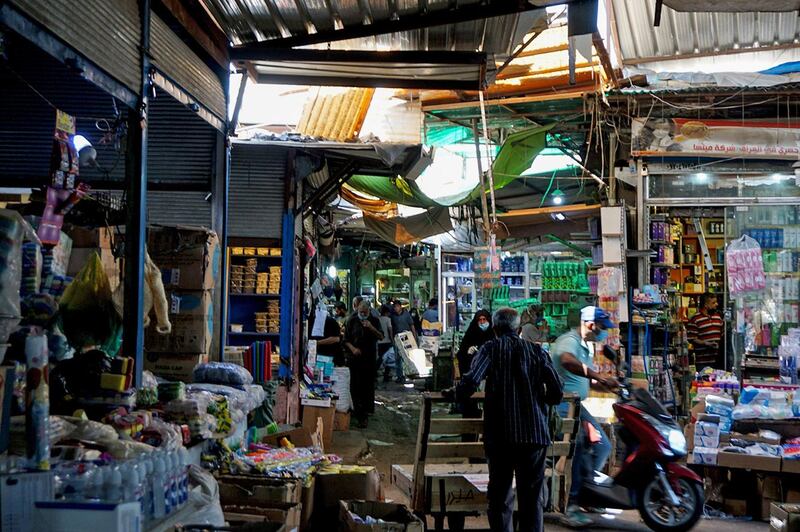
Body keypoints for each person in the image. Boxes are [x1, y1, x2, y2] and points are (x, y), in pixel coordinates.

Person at [455, 307, 563, 532]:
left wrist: (454, 393)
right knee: (532, 499)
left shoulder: (490, 349)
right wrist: (543, 399)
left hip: (500, 436)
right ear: (519, 329)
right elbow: (556, 389)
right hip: (534, 435)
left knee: (501, 497)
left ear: (494, 329)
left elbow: (470, 382)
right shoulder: (536, 352)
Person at [550, 306, 618, 527]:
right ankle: (571, 504)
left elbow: (588, 377)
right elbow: (568, 361)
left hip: (577, 405)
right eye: (602, 327)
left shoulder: (587, 345)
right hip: (561, 405)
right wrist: (597, 375)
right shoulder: (569, 341)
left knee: (602, 446)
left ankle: (587, 494)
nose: (604, 332)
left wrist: (611, 385)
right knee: (579, 445)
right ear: (590, 324)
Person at [343, 301, 384, 428]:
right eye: (361, 312)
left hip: (369, 359)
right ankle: (357, 411)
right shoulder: (352, 320)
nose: (362, 315)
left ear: (369, 312)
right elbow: (345, 340)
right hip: (354, 359)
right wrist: (353, 349)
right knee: (355, 386)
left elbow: (381, 336)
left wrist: (371, 327)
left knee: (367, 386)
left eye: (365, 313)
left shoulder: (375, 320)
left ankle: (365, 413)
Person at [455, 310, 495, 419]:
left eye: (484, 320)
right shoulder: (471, 334)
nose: (482, 322)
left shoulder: (493, 335)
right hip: (472, 378)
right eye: (480, 320)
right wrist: (468, 353)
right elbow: (461, 354)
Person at [687, 293, 724, 369]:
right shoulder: (695, 319)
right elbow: (692, 339)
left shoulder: (718, 317)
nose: (716, 304)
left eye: (716, 302)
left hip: (718, 361)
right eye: (713, 303)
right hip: (703, 363)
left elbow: (723, 335)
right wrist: (706, 343)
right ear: (705, 305)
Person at [390, 300, 417, 383]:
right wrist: (392, 339)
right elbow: (391, 328)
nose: (396, 308)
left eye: (397, 306)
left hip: (406, 337)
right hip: (397, 338)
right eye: (394, 307)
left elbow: (412, 325)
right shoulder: (392, 316)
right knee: (397, 358)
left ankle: (409, 373)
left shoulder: (406, 314)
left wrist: (414, 337)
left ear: (400, 306)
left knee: (407, 357)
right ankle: (400, 376)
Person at [377, 304, 394, 381]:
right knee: (388, 358)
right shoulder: (388, 319)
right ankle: (386, 374)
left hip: (379, 342)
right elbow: (390, 330)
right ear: (386, 312)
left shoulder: (378, 319)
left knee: (380, 357)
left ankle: (376, 371)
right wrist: (392, 339)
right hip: (387, 341)